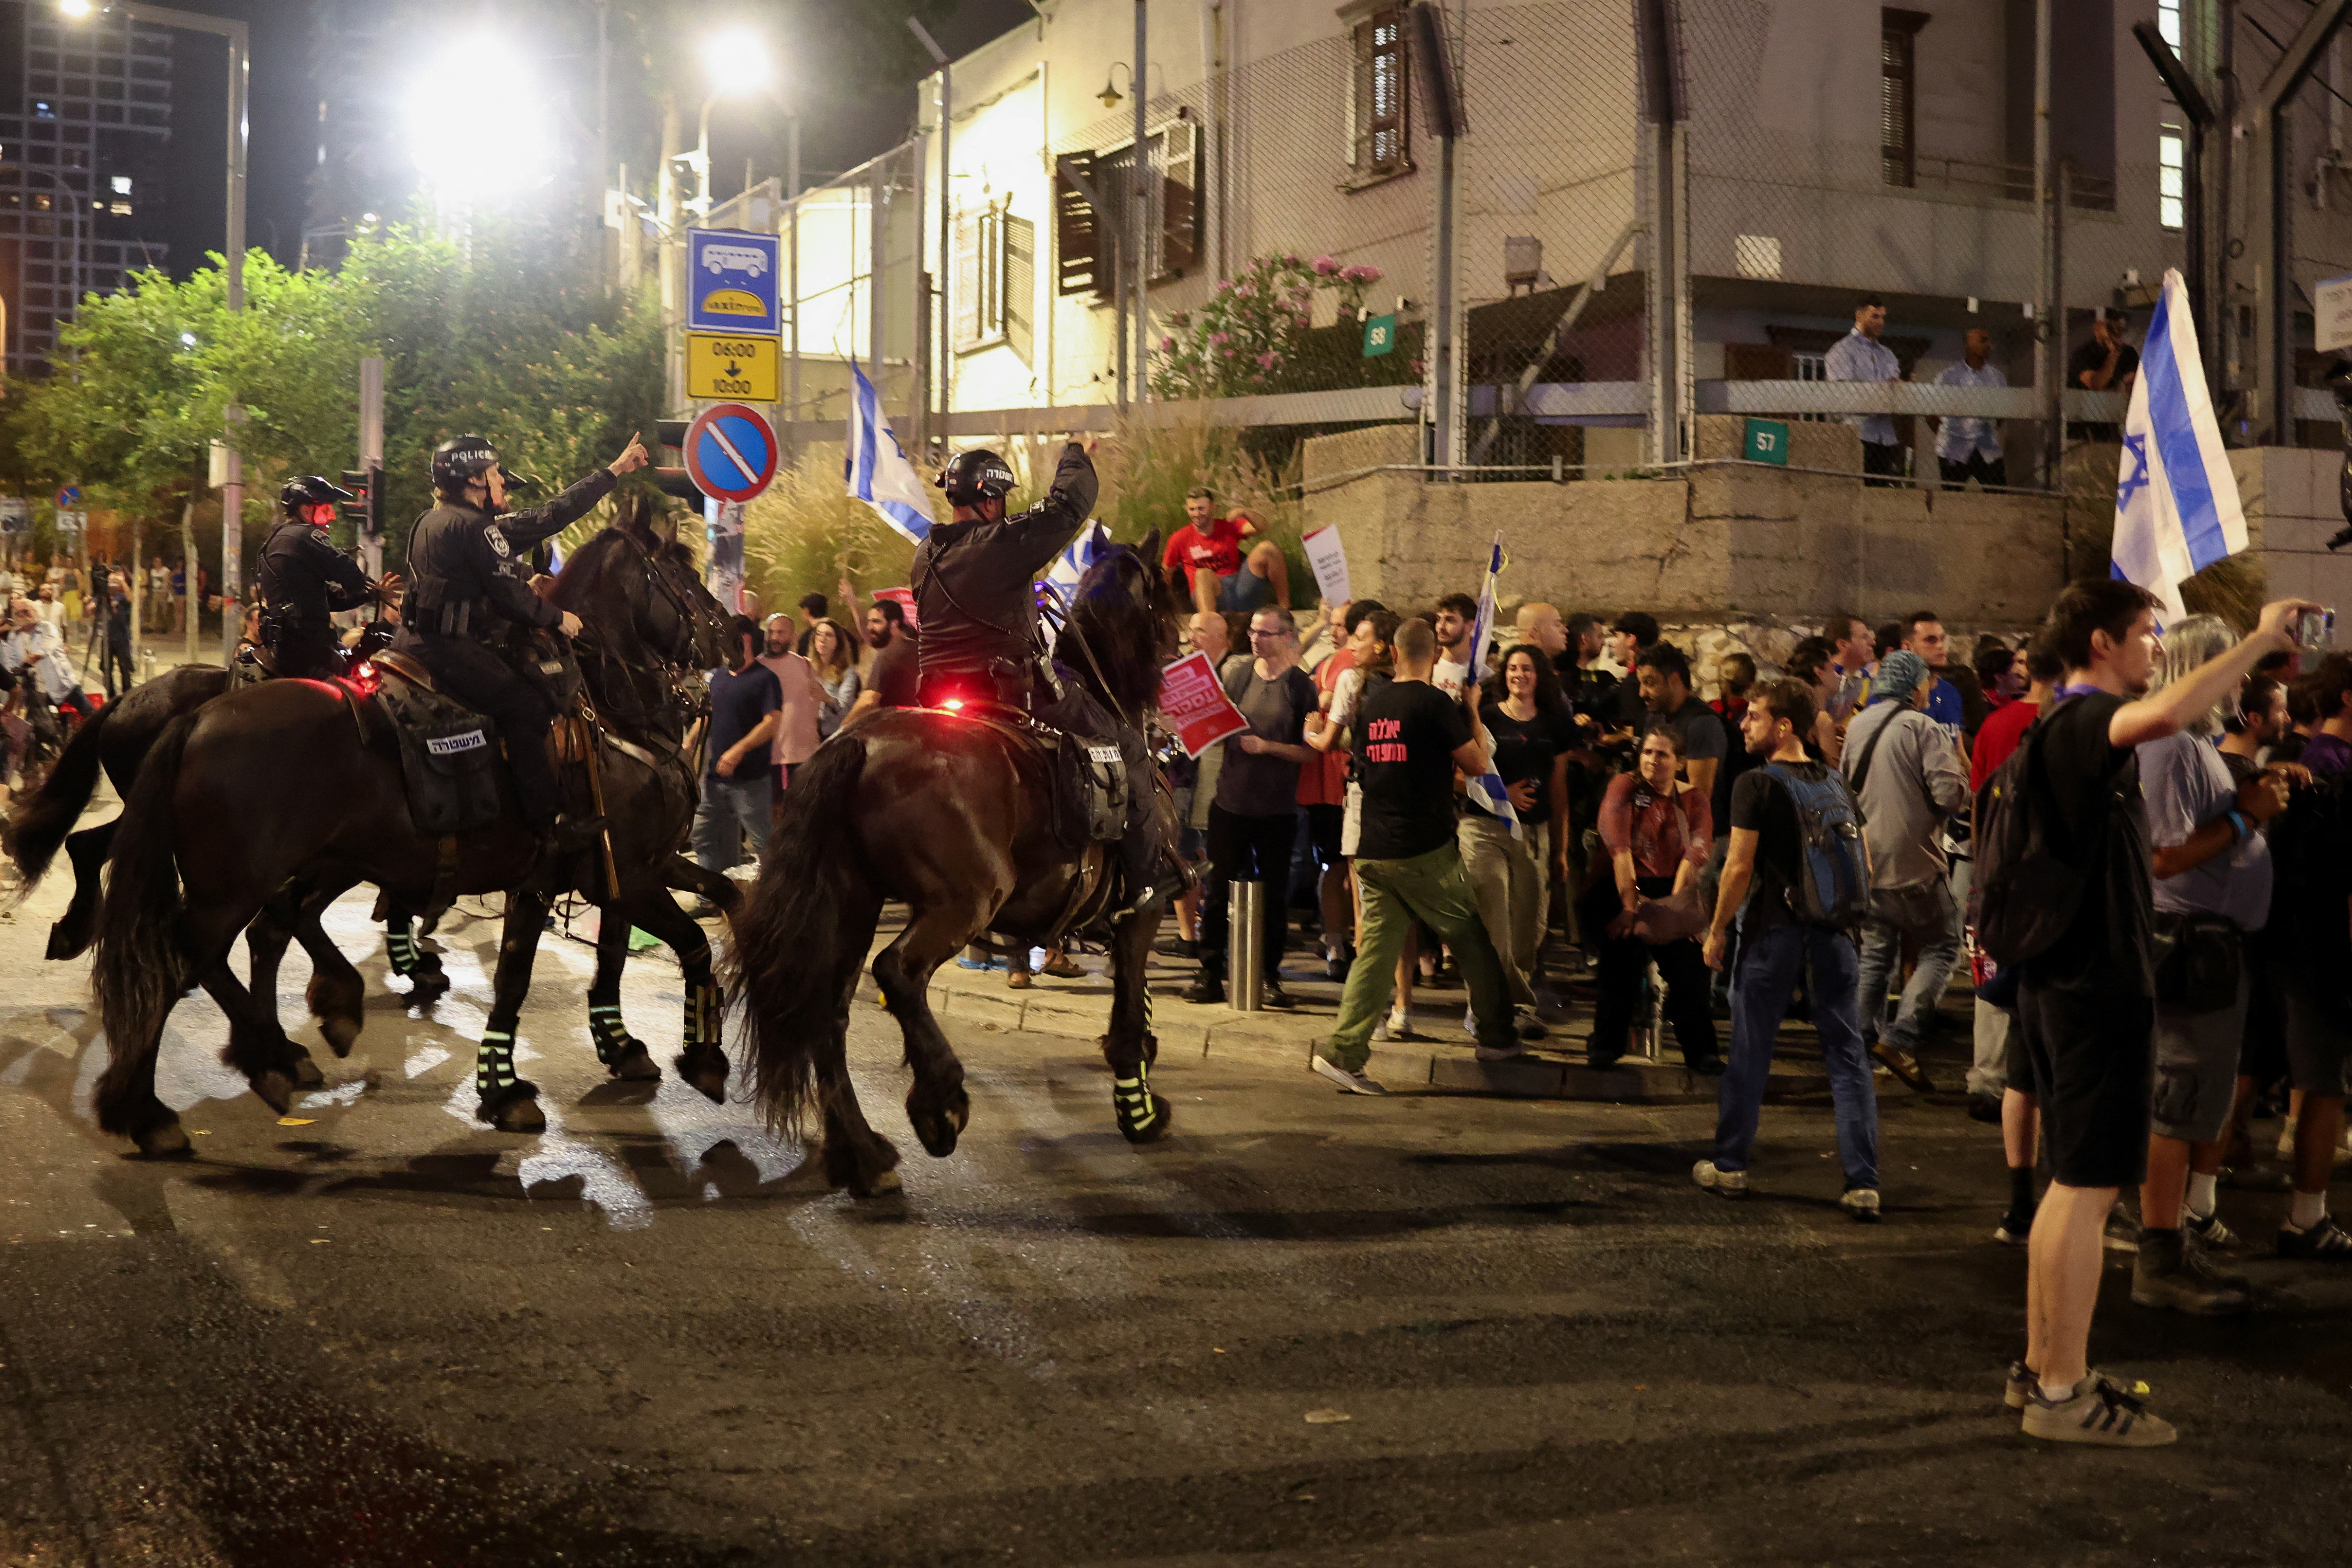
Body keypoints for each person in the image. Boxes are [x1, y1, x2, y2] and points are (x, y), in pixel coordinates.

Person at [2003, 581, 2308, 1448]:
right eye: (2145, 634)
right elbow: (2163, 717)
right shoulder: (2077, 723)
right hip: (2091, 986)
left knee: (2074, 1184)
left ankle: (2042, 1363)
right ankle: (2060, 1391)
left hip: (2068, 982)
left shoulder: (2055, 731)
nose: (2154, 650)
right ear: (2102, 644)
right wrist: (2254, 642)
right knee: (2090, 1186)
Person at [912, 441, 1169, 918]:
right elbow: (1069, 503)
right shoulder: (997, 543)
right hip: (1012, 691)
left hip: (936, 697)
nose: (1002, 508)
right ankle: (1143, 884)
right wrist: (1075, 453)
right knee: (1130, 747)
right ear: (990, 499)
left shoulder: (925, 553)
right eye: (1001, 499)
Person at [2126, 616, 2288, 1313]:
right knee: (2179, 1100)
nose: (2241, 682)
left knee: (2193, 1100)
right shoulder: (2170, 747)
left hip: (2210, 942)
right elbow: (2163, 855)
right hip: (2189, 943)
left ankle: (2168, 1237)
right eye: (2229, 668)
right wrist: (2247, 817)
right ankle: (2158, 1254)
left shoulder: (2187, 745)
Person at [394, 431, 648, 875]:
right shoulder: (474, 527)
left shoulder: (431, 522)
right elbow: (510, 595)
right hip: (451, 650)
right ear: (474, 479)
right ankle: (548, 826)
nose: (501, 483)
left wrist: (613, 472)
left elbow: (548, 517)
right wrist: (556, 618)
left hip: (411, 644)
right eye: (495, 475)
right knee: (526, 706)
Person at [1312, 618, 1525, 1093]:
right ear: (1432, 655)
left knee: (1376, 952)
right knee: (1471, 937)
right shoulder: (1435, 702)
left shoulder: (1373, 702)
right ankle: (1496, 1035)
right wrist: (1471, 709)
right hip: (1423, 847)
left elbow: (1365, 765)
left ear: (1393, 652)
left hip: (1373, 847)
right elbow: (1476, 765)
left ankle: (1345, 1050)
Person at [1696, 678, 1881, 1221]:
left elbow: (1739, 865)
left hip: (1774, 934)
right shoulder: (1835, 780)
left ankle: (1729, 1166)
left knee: (1752, 1050)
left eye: (1754, 716)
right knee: (1848, 1058)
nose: (1743, 724)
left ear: (1783, 726)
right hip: (1836, 937)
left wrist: (1716, 928)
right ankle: (1863, 1183)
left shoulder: (1756, 783)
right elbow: (1865, 866)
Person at [1841, 649, 1967, 1094]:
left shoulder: (1857, 726)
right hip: (1916, 867)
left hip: (1868, 865)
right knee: (1943, 946)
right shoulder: (1922, 727)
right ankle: (1901, 1038)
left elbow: (1845, 792)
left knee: (1876, 956)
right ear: (1915, 687)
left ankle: (1856, 1048)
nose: (1932, 688)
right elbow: (1949, 796)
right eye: (1928, 681)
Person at [1187, 606, 1318, 1007]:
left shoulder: (1300, 686)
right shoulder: (1238, 674)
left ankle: (1269, 975)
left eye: (1265, 634)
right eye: (1254, 633)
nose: (1256, 639)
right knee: (1218, 887)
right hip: (1231, 802)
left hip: (1276, 809)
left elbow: (1309, 753)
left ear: (1287, 638)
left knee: (1274, 895)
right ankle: (1209, 972)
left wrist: (1268, 747)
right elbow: (1216, 722)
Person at [1585, 724, 1719, 1071]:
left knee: (1691, 970)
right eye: (1647, 752)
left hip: (1674, 890)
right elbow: (1621, 853)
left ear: (1680, 762)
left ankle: (1702, 1052)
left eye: (1663, 754)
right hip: (1625, 885)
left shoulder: (1694, 799)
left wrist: (1670, 917)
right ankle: (1606, 1046)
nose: (1653, 760)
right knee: (1620, 964)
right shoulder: (1624, 787)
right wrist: (1631, 908)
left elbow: (1695, 856)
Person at [1967, 638, 2060, 1136]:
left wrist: (1984, 867)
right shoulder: (2067, 726)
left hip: (1996, 870)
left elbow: (1979, 798)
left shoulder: (1994, 725)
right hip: (2045, 880)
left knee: (1991, 973)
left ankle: (1986, 1078)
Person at [1462, 645, 1573, 1034]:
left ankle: (1519, 1005)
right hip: (1485, 829)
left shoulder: (1553, 726)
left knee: (1529, 923)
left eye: (1527, 668)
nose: (1518, 674)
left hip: (1534, 834)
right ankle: (1485, 1005)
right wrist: (1500, 794)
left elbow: (1560, 790)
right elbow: (1461, 773)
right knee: (1493, 919)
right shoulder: (1486, 718)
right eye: (1512, 668)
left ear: (1539, 676)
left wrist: (1561, 849)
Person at [1299, 599, 1374, 980]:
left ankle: (1351, 946)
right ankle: (1336, 941)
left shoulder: (1356, 670)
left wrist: (1319, 728)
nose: (1335, 631)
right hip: (1329, 784)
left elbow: (1330, 725)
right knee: (1334, 866)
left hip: (1352, 780)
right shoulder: (1329, 664)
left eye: (1343, 626)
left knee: (1355, 870)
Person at [259, 476, 388, 680]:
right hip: (308, 651)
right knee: (364, 694)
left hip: (287, 646)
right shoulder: (304, 537)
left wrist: (370, 592)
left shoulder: (278, 538)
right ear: (307, 510)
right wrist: (366, 586)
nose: (333, 516)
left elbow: (328, 598)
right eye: (327, 509)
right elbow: (347, 571)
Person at [691, 615, 783, 888]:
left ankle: (778, 901)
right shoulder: (717, 677)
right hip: (714, 779)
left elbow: (772, 722)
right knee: (703, 837)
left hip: (750, 781)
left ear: (749, 643)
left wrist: (737, 751)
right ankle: (712, 897)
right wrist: (689, 743)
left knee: (764, 844)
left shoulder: (766, 679)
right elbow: (707, 714)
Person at [1162, 487, 1290, 615]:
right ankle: (1209, 622)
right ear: (1187, 509)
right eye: (1192, 509)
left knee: (1268, 548)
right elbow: (1166, 573)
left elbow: (1263, 527)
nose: (1197, 514)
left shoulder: (1227, 526)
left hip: (1238, 588)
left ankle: (1285, 610)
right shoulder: (1179, 538)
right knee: (1203, 574)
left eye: (1201, 509)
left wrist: (1244, 512)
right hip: (1208, 593)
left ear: (1213, 507)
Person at [1633, 642, 1727, 808]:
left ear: (1675, 680)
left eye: (1650, 683)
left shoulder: (1702, 724)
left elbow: (1698, 801)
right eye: (1641, 684)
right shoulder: (1656, 718)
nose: (1642, 693)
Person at [1825, 295, 1905, 483]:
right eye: (1875, 317)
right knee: (1854, 489)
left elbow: (1896, 392)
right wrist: (1883, 391)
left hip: (1886, 437)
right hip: (1857, 435)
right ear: (1859, 316)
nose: (1881, 322)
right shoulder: (1842, 351)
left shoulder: (1888, 355)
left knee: (1880, 495)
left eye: (1883, 317)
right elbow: (1842, 395)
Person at [757, 612, 827, 820]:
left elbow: (818, 701)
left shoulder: (805, 665)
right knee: (775, 812)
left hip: (804, 755)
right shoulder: (757, 667)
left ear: (793, 637)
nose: (774, 638)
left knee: (804, 812)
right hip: (771, 756)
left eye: (781, 632)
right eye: (770, 632)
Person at [1933, 326, 2009, 488]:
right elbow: (1931, 414)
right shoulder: (1948, 377)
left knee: (1998, 495)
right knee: (1952, 500)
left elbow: (2003, 414)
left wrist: (1988, 430)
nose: (1989, 345)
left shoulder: (1997, 378)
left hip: (1986, 448)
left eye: (1990, 341)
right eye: (1983, 340)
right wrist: (1950, 433)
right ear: (1968, 344)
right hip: (1954, 448)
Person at [840, 600, 919, 729]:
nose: (870, 627)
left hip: (897, 733)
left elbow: (869, 700)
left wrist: (842, 729)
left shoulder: (889, 654)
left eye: (876, 622)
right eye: (869, 621)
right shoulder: (916, 648)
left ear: (894, 624)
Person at [2068, 310, 2139, 443]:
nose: (2116, 331)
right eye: (2110, 326)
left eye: (2119, 326)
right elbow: (2095, 383)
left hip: (2114, 427)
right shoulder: (2085, 354)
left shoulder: (2129, 354)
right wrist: (2114, 354)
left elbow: (2134, 383)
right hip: (2083, 430)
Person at [808, 617, 864, 741]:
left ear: (838, 642)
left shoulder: (847, 674)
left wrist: (826, 697)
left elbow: (847, 711)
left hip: (834, 738)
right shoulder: (807, 669)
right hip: (808, 737)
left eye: (829, 635)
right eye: (819, 635)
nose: (823, 640)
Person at [1429, 592, 1480, 702]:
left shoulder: (1482, 674)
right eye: (1439, 619)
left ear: (1470, 626)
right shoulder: (1427, 667)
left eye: (1450, 620)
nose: (1441, 627)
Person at [97, 571, 135, 698]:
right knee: (106, 668)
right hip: (107, 638)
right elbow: (89, 610)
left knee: (125, 668)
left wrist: (122, 582)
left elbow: (131, 599)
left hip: (122, 637)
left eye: (114, 582)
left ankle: (128, 694)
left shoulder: (122, 597)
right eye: (110, 582)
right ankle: (111, 695)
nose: (112, 585)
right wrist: (87, 604)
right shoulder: (103, 598)